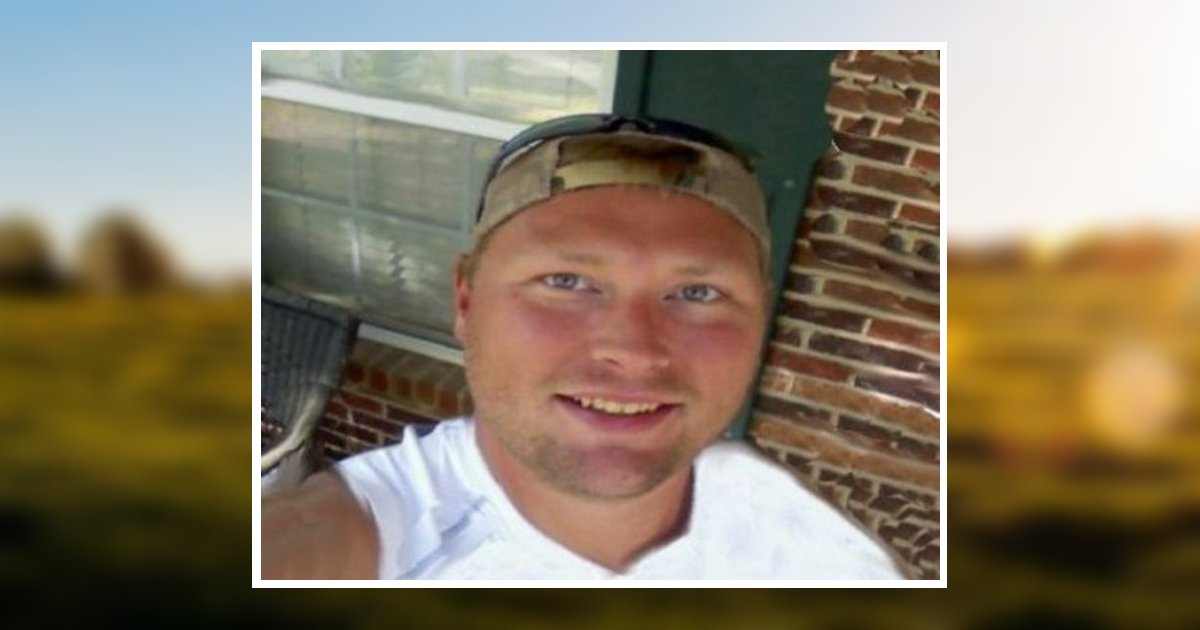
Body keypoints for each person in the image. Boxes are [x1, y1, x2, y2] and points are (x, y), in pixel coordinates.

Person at [261, 114, 905, 580]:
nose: (635, 350)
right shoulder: (367, 531)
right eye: (566, 282)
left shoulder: (813, 548)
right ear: (466, 301)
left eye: (698, 292)